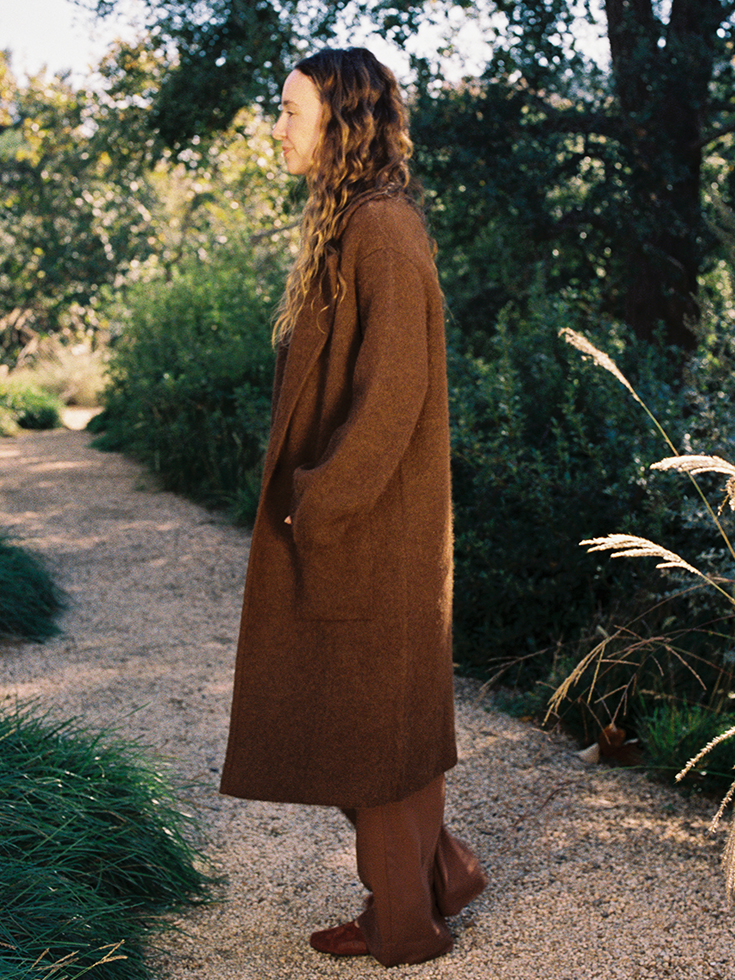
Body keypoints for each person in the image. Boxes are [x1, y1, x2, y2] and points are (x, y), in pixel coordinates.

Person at [219, 46, 486, 967]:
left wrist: (319, 503)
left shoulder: (381, 228)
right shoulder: (351, 219)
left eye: (292, 111)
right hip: (360, 521)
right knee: (381, 720)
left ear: (342, 119)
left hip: (368, 525)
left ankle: (403, 925)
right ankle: (441, 874)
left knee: (369, 726)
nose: (279, 125)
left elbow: (397, 389)